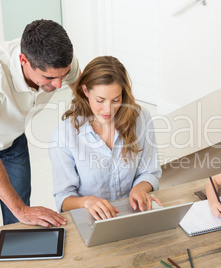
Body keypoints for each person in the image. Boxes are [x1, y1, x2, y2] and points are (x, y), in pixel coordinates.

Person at [0, 19, 80, 233]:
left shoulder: (59, 64)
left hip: (13, 140)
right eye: (49, 77)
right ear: (23, 60)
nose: (59, 85)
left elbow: (88, 95)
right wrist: (22, 210)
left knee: (19, 222)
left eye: (64, 75)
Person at [49, 56, 162, 221]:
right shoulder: (64, 135)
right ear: (85, 91)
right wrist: (87, 202)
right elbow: (63, 198)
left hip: (134, 214)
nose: (108, 110)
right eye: (100, 100)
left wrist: (139, 188)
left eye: (116, 100)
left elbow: (150, 172)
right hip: (91, 220)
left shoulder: (140, 118)